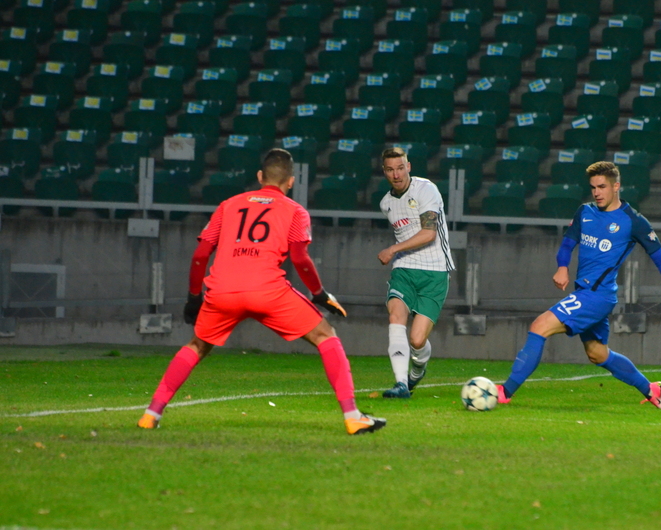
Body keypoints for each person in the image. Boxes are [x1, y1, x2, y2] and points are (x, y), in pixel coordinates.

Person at [138, 148, 386, 435]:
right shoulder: (295, 211)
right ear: (291, 181)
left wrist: (194, 298)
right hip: (268, 290)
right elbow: (300, 259)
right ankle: (353, 416)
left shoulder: (228, 205)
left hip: (223, 291)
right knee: (325, 335)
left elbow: (200, 255)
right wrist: (319, 294)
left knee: (197, 346)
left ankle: (151, 414)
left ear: (259, 176)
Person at [496, 161, 661, 408]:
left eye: (602, 187)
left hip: (597, 296)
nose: (597, 193)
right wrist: (562, 267)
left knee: (540, 326)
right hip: (585, 292)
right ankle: (651, 389)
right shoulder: (585, 212)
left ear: (616, 186)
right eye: (593, 187)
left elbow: (660, 259)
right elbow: (567, 244)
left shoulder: (633, 221)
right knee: (597, 353)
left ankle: (505, 392)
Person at [377, 147, 455, 398]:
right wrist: (397, 254)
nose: (396, 174)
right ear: (384, 172)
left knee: (417, 340)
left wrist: (392, 249)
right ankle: (401, 384)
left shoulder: (426, 189)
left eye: (400, 168)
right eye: (390, 170)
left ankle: (417, 370)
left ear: (408, 167)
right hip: (404, 270)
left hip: (435, 271)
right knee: (395, 316)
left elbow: (429, 233)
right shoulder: (386, 203)